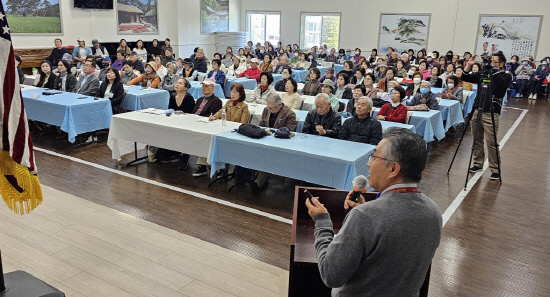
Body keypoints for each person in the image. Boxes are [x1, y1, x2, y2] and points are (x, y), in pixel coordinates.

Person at [305, 127, 441, 296]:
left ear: (393, 169)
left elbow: (331, 275)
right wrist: (368, 207)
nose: (368, 163)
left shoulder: (365, 216)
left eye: (374, 156)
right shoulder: (433, 211)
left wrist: (322, 221)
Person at [459, 53, 512, 180]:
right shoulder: (484, 73)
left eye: (494, 61)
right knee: (476, 139)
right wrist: (469, 65)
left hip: (491, 111)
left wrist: (490, 71)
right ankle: (477, 163)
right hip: (477, 108)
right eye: (491, 61)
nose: (492, 63)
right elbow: (465, 77)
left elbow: (500, 84)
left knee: (491, 142)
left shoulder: (506, 75)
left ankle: (495, 169)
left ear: (502, 63)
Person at [247, 93, 297, 195]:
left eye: (272, 108)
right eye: (269, 107)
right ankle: (249, 175)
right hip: (264, 140)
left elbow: (290, 132)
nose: (270, 110)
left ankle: (258, 182)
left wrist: (274, 133)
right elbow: (261, 125)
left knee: (269, 156)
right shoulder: (267, 110)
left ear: (279, 105)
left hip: (280, 145)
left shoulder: (290, 114)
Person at [156, 78, 196, 167]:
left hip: (186, 123)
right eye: (177, 82)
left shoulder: (189, 98)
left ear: (185, 87)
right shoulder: (173, 96)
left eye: (180, 83)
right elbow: (170, 110)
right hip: (174, 121)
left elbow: (191, 114)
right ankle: (169, 154)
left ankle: (184, 157)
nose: (177, 84)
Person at [192, 78, 223, 177]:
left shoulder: (216, 101)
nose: (203, 88)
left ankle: (203, 165)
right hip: (195, 122)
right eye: (203, 86)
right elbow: (194, 113)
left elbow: (212, 116)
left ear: (213, 88)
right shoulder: (200, 99)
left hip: (205, 125)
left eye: (206, 86)